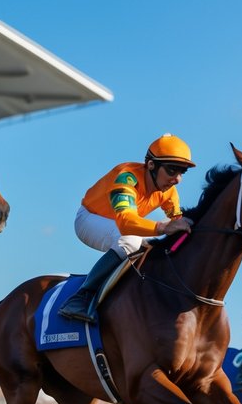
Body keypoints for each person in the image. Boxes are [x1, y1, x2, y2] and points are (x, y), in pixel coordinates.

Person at [58, 134, 197, 323]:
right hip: (89, 219)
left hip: (117, 226)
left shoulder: (168, 191)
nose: (177, 179)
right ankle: (81, 297)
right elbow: (125, 222)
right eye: (172, 170)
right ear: (151, 165)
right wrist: (163, 227)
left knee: (151, 248)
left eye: (182, 172)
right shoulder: (127, 177)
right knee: (132, 241)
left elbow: (178, 223)